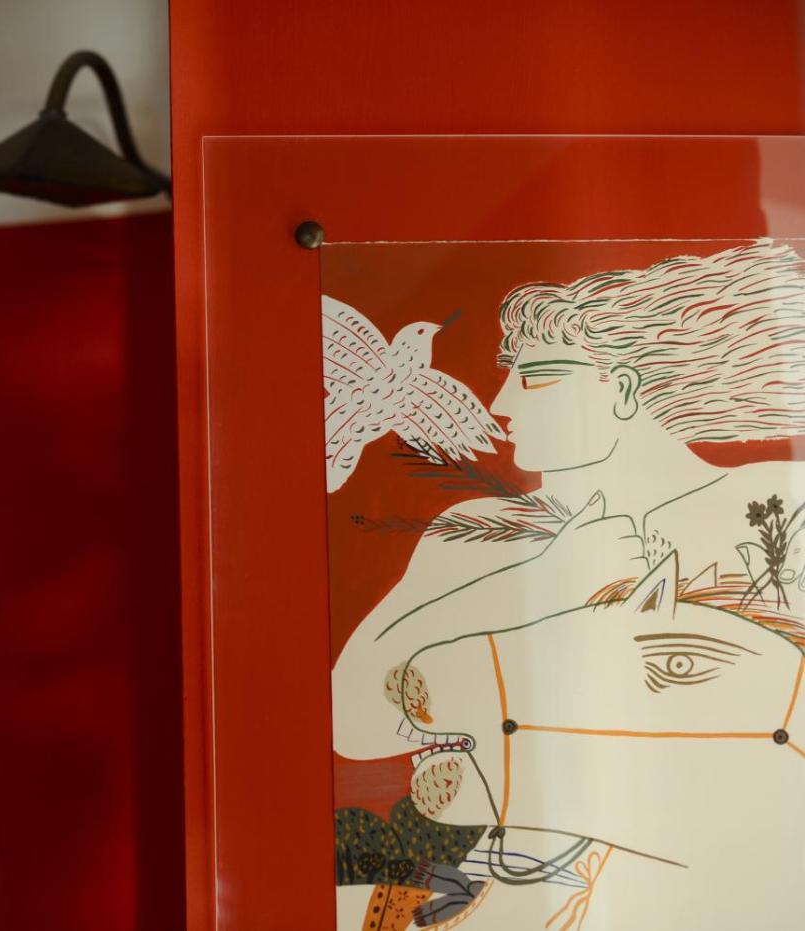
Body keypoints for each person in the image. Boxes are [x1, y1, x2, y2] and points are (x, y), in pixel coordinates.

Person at [333, 239, 805, 760]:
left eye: (535, 378)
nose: (501, 403)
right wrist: (541, 579)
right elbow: (352, 724)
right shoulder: (477, 532)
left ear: (623, 390)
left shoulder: (777, 502)